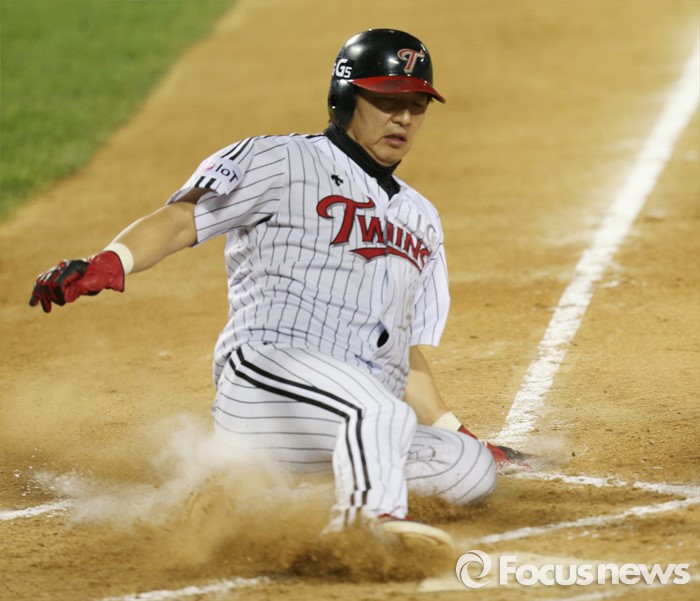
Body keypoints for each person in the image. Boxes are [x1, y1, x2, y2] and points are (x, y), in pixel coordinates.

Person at [29, 29, 529, 550]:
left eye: (416, 104)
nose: (403, 117)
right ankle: (362, 529)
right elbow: (181, 220)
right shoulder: (281, 159)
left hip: (350, 422)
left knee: (469, 469)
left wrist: (458, 431)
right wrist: (111, 260)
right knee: (378, 411)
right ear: (345, 97)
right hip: (270, 381)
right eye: (387, 100)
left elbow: (400, 350)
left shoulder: (421, 218)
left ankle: (286, 504)